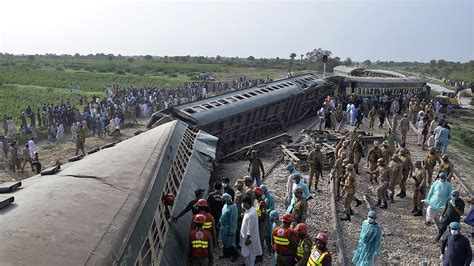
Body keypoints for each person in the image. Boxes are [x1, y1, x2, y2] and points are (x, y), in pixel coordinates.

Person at [240, 197, 262, 266]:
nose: (243, 206)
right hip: (246, 238)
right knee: (247, 255)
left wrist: (247, 239)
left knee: (250, 257)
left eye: (244, 204)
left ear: (247, 204)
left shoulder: (251, 214)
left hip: (249, 240)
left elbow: (250, 229)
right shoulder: (250, 210)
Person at [219, 193, 238, 262]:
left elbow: (233, 220)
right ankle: (226, 254)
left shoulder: (233, 207)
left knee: (230, 242)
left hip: (228, 227)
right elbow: (222, 214)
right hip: (223, 226)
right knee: (224, 241)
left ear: (227, 199)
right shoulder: (225, 205)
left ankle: (235, 255)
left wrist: (232, 231)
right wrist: (219, 221)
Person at [254, 187, 267, 262]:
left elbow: (263, 215)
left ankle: (260, 255)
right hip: (257, 222)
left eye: (255, 193)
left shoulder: (262, 203)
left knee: (260, 238)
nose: (254, 195)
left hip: (261, 223)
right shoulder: (257, 201)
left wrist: (257, 218)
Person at [261, 184, 275, 253]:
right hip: (263, 217)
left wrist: (267, 211)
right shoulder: (263, 197)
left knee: (269, 232)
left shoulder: (270, 198)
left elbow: (272, 207)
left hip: (268, 218)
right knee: (265, 232)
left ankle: (270, 247)